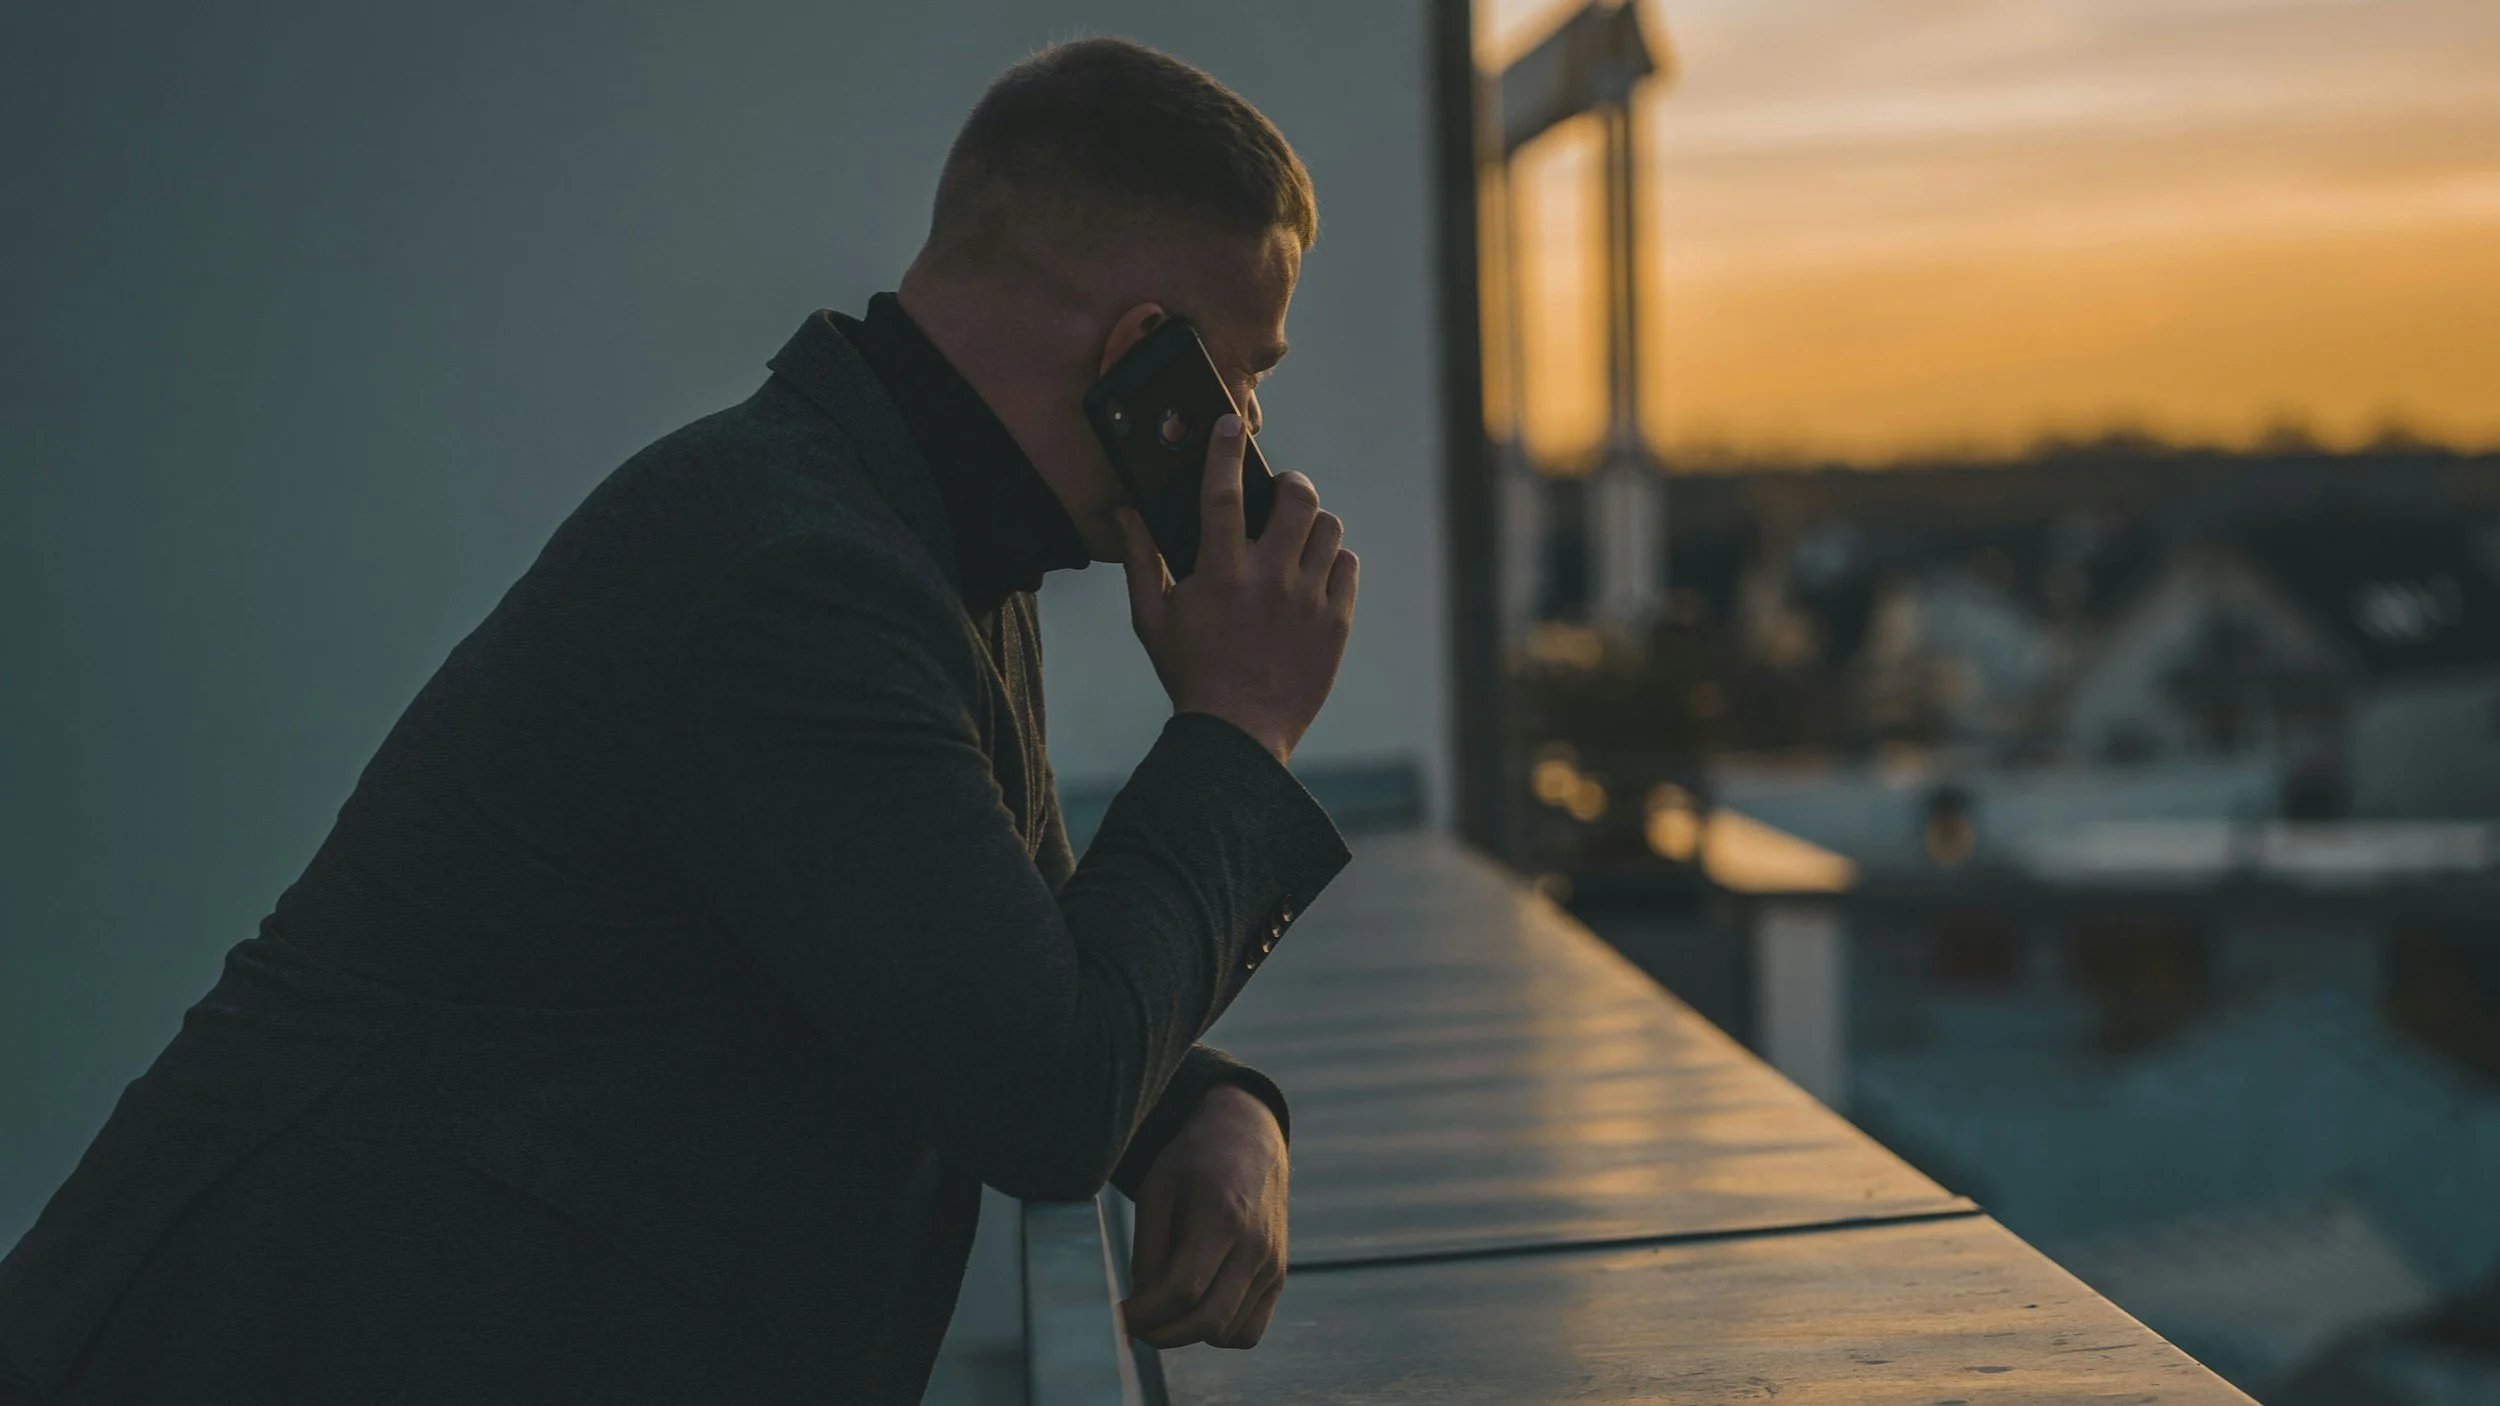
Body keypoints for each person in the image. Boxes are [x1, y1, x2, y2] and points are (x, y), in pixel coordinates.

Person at [0, 36, 1357, 1405]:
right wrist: (1238, 727)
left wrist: (1216, 1108)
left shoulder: (895, 533)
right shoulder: (795, 577)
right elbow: (1045, 1090)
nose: (1246, 430)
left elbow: (1001, 953)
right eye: (1240, 378)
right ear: (1142, 356)